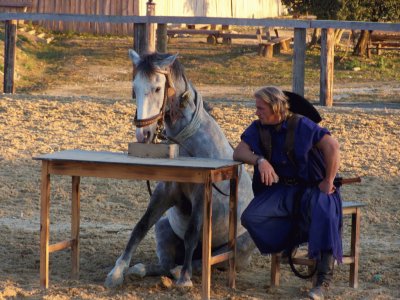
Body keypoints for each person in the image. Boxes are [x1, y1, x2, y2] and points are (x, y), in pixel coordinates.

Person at [233, 86, 343, 300]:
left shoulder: (301, 124)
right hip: (283, 189)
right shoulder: (259, 128)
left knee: (325, 214)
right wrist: (260, 160)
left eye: (260, 108)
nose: (256, 112)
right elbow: (239, 152)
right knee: (251, 217)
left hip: (314, 186)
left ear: (275, 107)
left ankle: (323, 280)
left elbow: (332, 147)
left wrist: (328, 180)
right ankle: (290, 242)